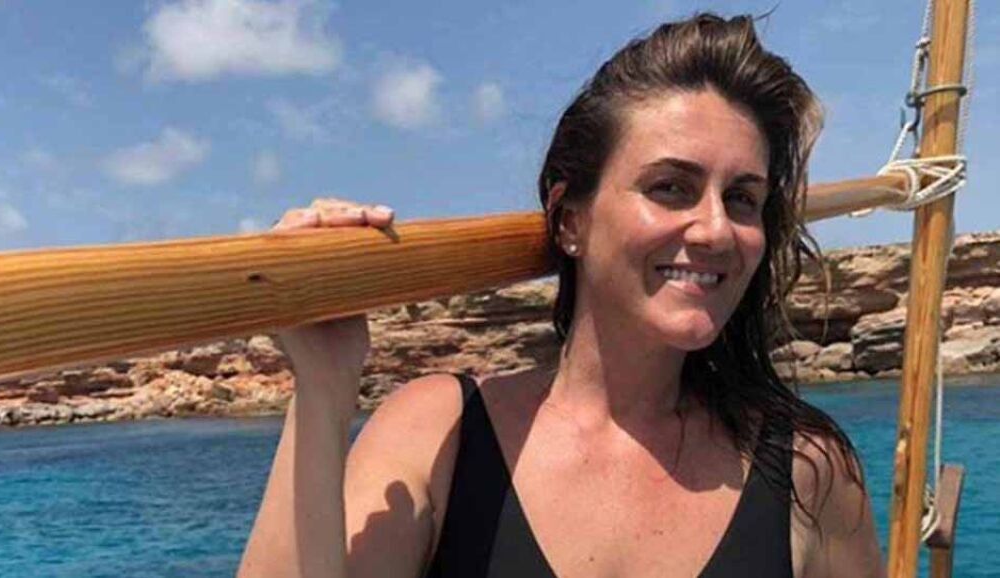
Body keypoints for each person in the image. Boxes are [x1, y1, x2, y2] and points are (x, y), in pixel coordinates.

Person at [238, 12, 885, 578]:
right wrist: (322, 389)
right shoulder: (440, 433)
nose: (717, 229)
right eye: (670, 187)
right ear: (570, 219)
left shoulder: (808, 471)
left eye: (742, 198)